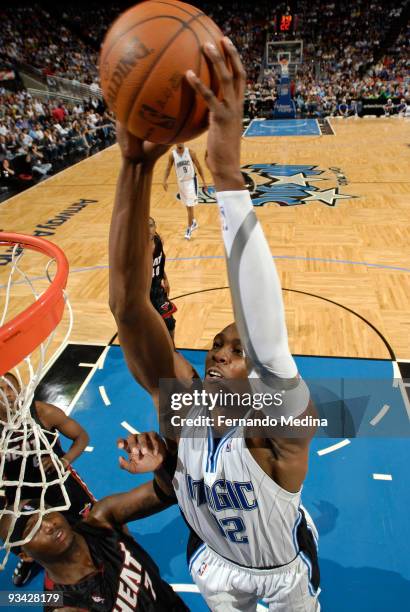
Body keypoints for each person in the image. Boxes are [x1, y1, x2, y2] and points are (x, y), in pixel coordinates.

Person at [109, 37, 320, 611]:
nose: (220, 353)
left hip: (282, 574)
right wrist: (132, 167)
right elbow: (130, 310)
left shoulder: (280, 429)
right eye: (215, 347)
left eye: (234, 347)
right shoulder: (182, 406)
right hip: (215, 565)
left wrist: (228, 182)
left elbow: (267, 343)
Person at [0, 432, 188, 612]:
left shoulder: (102, 517)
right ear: (25, 555)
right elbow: (7, 598)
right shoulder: (60, 603)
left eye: (46, 514)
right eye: (33, 529)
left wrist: (160, 466)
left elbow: (168, 493)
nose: (49, 525)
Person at [0, 372, 95, 587]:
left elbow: (82, 437)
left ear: (20, 391)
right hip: (22, 494)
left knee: (88, 524)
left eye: (11, 389)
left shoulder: (42, 412)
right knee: (14, 535)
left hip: (57, 483)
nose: (8, 395)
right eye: (1, 390)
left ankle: (100, 551)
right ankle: (30, 559)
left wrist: (65, 460)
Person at [162, 143, 206, 240]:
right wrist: (164, 180)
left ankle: (189, 229)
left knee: (190, 206)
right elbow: (168, 168)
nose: (180, 142)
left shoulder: (190, 153)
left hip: (191, 181)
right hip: (181, 182)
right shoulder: (172, 155)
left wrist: (204, 181)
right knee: (187, 205)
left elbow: (199, 167)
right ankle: (193, 222)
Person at [149, 216, 177, 340]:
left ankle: (172, 350)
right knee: (147, 326)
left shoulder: (158, 241)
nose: (148, 229)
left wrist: (165, 279)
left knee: (169, 322)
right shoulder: (137, 248)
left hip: (157, 289)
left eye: (150, 225)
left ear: (155, 226)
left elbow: (159, 264)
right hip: (142, 292)